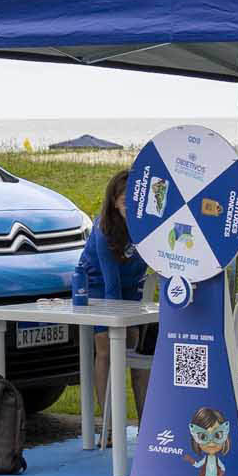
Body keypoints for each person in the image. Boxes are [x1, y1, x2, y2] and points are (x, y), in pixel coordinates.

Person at [73, 169, 152, 438]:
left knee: (136, 353)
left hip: (132, 288)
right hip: (97, 289)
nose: (130, 204)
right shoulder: (104, 229)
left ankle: (147, 426)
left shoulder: (151, 227)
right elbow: (110, 284)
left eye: (135, 198)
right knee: (107, 348)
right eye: (123, 198)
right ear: (114, 201)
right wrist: (117, 321)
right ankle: (109, 425)